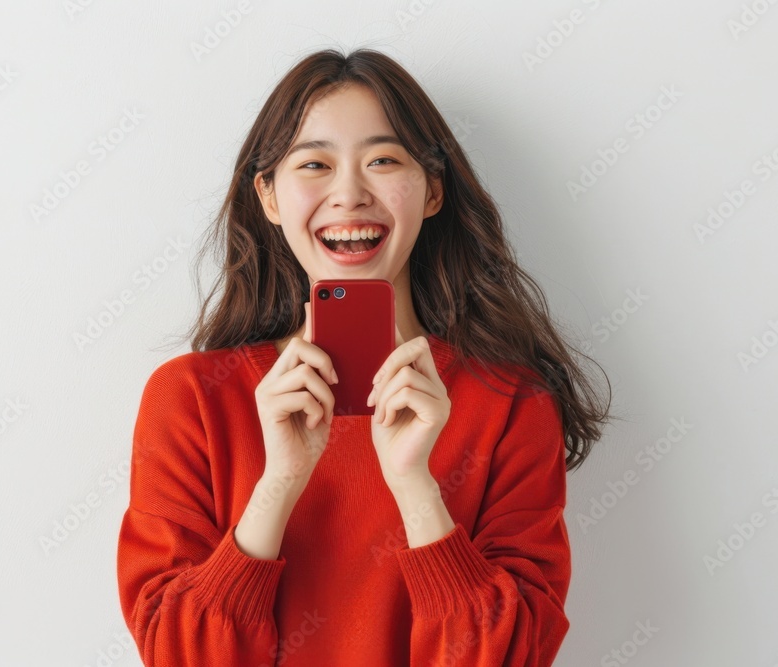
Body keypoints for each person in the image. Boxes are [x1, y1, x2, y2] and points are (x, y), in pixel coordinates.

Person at [116, 47, 611, 666]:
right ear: (268, 197)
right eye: (314, 164)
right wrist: (280, 482)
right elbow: (180, 654)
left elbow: (508, 656)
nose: (349, 193)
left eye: (382, 160)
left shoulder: (511, 403)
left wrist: (416, 489)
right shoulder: (190, 398)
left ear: (433, 191)